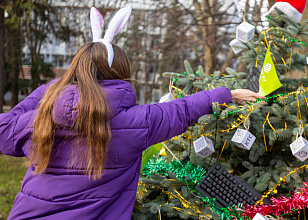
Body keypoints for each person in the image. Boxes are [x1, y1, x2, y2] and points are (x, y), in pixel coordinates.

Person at [0, 7, 263, 220]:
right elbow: (181, 110)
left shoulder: (38, 121)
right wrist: (227, 94)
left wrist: (52, 90)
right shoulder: (134, 123)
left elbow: (4, 131)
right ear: (120, 73)